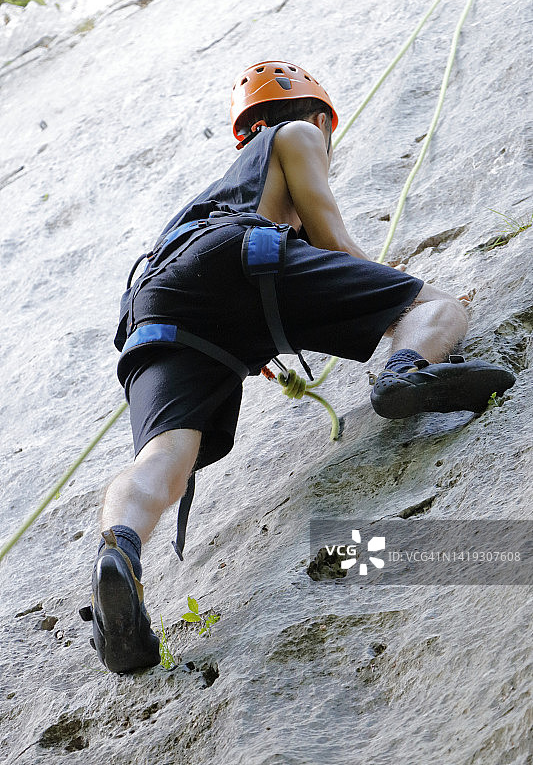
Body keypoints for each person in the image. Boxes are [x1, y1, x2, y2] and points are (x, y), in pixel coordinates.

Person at [79, 61, 515, 673]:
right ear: (317, 117)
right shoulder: (295, 135)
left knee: (164, 457)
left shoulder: (206, 199)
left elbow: (221, 287)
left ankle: (119, 552)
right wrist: (394, 292)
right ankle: (403, 372)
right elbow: (333, 240)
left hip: (156, 310)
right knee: (433, 304)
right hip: (240, 255)